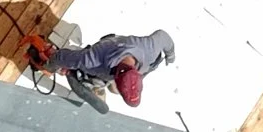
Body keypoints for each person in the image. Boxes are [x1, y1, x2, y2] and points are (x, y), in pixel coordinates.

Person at [44, 30, 174, 107]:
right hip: (107, 46)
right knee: (102, 84)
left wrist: (170, 54)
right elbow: (61, 57)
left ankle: (103, 85)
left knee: (114, 90)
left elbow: (163, 37)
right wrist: (49, 67)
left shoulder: (150, 49)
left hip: (131, 56)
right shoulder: (92, 61)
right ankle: (94, 83)